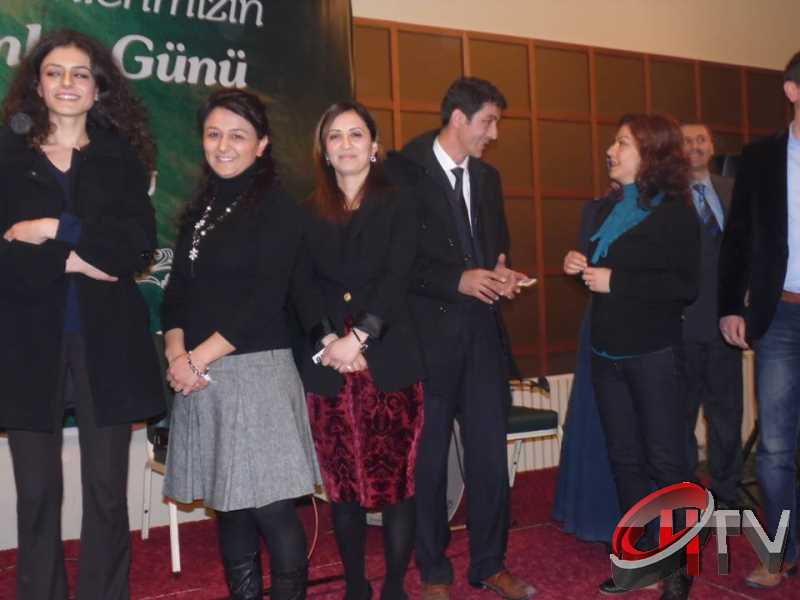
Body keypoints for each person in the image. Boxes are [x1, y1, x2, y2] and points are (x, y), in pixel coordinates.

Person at [0, 29, 164, 600]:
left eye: (80, 74)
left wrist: (53, 230)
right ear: (37, 85)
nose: (67, 83)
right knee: (36, 493)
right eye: (55, 72)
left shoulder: (121, 159)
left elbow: (135, 248)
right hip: (26, 346)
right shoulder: (6, 157)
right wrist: (81, 259)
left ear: (98, 89)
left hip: (108, 345)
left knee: (106, 493)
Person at [161, 89, 320, 600]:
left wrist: (196, 360)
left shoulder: (277, 208)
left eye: (237, 135)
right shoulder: (200, 210)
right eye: (214, 134)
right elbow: (176, 294)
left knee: (270, 507)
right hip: (201, 374)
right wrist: (176, 355)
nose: (223, 145)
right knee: (228, 505)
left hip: (255, 372)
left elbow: (264, 302)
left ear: (261, 144)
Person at [386, 77, 535, 600]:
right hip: (425, 341)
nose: (494, 134)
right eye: (488, 122)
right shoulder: (401, 172)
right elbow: (394, 263)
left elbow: (496, 250)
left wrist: (502, 277)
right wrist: (457, 280)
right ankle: (434, 571)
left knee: (490, 458)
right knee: (428, 463)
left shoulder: (488, 179)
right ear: (457, 118)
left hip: (483, 339)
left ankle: (490, 564)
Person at [563, 114, 700, 600]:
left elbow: (685, 286)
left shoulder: (676, 212)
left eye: (622, 143)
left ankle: (679, 569)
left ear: (651, 153)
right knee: (624, 459)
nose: (611, 150)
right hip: (607, 352)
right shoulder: (607, 208)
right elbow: (600, 267)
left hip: (653, 353)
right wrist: (579, 263)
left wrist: (616, 281)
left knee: (665, 462)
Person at [301, 100, 424, 600]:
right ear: (324, 150)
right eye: (335, 136)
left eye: (356, 134)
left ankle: (394, 585)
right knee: (343, 488)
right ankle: (355, 584)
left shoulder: (400, 202)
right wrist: (330, 340)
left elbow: (398, 277)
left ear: (374, 146)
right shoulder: (307, 211)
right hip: (330, 365)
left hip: (388, 358)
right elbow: (300, 286)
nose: (346, 144)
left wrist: (361, 337)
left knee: (397, 485)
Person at [718, 50, 800, 589]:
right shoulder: (760, 159)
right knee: (774, 449)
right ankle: (782, 551)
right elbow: (738, 241)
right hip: (781, 317)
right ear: (793, 91)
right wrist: (730, 305)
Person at [680, 122, 743, 509]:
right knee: (680, 417)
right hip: (681, 325)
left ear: (712, 145)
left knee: (727, 416)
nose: (695, 146)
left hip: (725, 325)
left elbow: (748, 251)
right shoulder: (665, 197)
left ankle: (726, 494)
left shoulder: (733, 191)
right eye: (686, 141)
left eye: (701, 139)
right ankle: (686, 496)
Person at [552, 198, 621, 546]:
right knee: (595, 420)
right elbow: (589, 270)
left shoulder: (665, 205)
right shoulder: (597, 210)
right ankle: (596, 516)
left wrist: (617, 280)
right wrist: (575, 264)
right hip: (598, 325)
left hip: (644, 330)